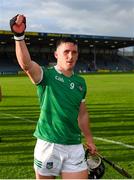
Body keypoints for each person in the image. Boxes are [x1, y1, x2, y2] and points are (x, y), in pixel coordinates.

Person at [10, 14, 97, 179]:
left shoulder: (81, 82)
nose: (70, 56)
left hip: (74, 145)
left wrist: (89, 139)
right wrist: (19, 37)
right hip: (48, 144)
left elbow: (82, 113)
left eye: (74, 52)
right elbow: (26, 65)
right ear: (56, 54)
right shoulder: (46, 75)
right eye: (66, 52)